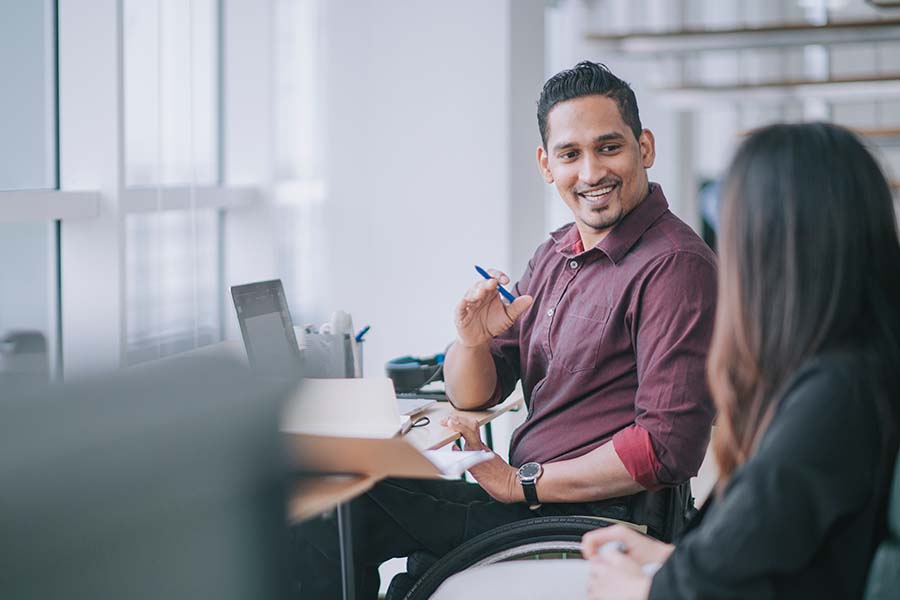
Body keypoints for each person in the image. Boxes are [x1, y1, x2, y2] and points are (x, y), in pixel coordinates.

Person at [290, 61, 718, 600]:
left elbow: (665, 448)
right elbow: (477, 392)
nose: (590, 173)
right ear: (546, 164)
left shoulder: (675, 265)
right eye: (570, 154)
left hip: (590, 520)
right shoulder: (558, 252)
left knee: (337, 507)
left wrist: (520, 482)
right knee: (346, 494)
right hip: (533, 501)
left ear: (645, 148)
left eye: (609, 147)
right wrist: (472, 340)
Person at [578, 122, 900, 599]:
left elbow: (727, 569)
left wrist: (642, 590)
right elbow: (757, 547)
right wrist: (668, 561)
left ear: (770, 249)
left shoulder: (837, 391)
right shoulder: (860, 365)